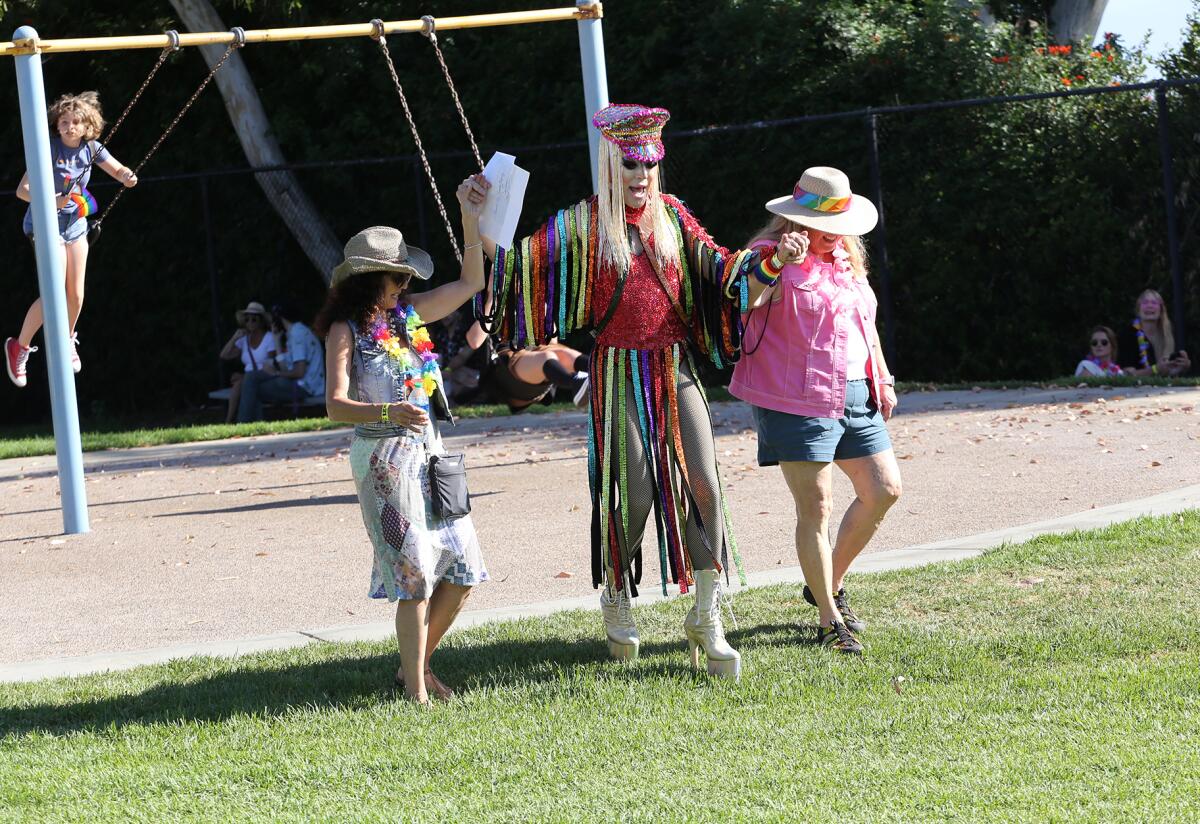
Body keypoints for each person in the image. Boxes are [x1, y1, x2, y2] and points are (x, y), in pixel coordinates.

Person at [480, 104, 798, 680]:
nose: (641, 176)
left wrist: (770, 260)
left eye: (650, 165)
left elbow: (722, 268)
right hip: (617, 370)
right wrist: (474, 215)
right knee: (636, 490)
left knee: (703, 480)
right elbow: (514, 266)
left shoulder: (672, 216)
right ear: (609, 164)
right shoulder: (582, 224)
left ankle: (706, 614)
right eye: (630, 165)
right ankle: (617, 595)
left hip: (675, 368)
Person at [316, 173, 489, 705]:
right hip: (383, 458)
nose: (404, 288)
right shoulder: (345, 331)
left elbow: (470, 284)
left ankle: (410, 668)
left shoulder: (410, 318)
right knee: (413, 573)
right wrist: (388, 409)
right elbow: (334, 404)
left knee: (461, 568)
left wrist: (468, 216)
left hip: (428, 455)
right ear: (369, 281)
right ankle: (416, 691)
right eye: (396, 279)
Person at [729, 166, 901, 655]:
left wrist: (881, 376)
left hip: (855, 393)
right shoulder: (769, 256)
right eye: (826, 227)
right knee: (816, 508)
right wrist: (777, 264)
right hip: (796, 401)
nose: (835, 237)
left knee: (884, 490)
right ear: (797, 220)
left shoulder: (846, 260)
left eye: (839, 227)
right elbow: (742, 299)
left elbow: (863, 323)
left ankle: (827, 582)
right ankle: (830, 620)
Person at [5, 91, 138, 388]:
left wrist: (127, 177)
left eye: (75, 122)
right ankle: (20, 346)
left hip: (75, 224)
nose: (69, 127)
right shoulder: (49, 149)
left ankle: (67, 339)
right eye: (63, 122)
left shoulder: (92, 149)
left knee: (75, 294)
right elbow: (22, 190)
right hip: (45, 223)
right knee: (54, 292)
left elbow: (117, 169)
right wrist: (51, 200)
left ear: (87, 125)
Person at [234, 301, 325, 422]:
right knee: (251, 378)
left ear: (279, 318)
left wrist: (275, 374)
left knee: (252, 386)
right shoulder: (294, 332)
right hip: (300, 383)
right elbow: (286, 368)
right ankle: (248, 424)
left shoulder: (298, 335)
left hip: (306, 387)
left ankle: (243, 423)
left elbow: (299, 372)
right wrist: (276, 340)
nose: (271, 322)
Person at [219, 302, 275, 424]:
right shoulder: (244, 340)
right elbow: (224, 355)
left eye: (254, 319)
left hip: (265, 375)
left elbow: (270, 364)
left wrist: (245, 377)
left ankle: (237, 421)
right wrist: (234, 338)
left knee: (243, 382)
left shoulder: (269, 337)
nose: (250, 322)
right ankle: (231, 421)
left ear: (261, 321)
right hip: (248, 378)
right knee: (240, 384)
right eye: (247, 319)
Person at [1117, 289, 1191, 377]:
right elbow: (1126, 375)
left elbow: (1170, 372)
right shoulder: (1127, 335)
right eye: (1145, 302)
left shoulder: (1170, 333)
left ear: (1161, 310)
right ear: (1138, 310)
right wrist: (1155, 369)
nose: (1149, 306)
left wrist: (1185, 366)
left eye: (1154, 303)